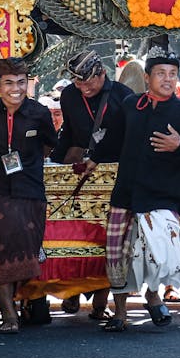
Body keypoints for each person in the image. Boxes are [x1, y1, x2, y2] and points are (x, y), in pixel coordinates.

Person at [96, 47, 180, 332]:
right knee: (119, 256)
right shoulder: (129, 105)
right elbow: (111, 141)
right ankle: (121, 313)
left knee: (157, 255)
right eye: (161, 73)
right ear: (147, 77)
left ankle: (153, 296)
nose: (167, 79)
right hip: (125, 192)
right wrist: (89, 158)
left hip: (162, 195)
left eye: (172, 74)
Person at [0, 56, 58, 333]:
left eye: (21, 82)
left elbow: (48, 148)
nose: (15, 89)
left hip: (31, 190)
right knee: (2, 249)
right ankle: (9, 314)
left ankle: (23, 303)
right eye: (9, 83)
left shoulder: (39, 113)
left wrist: (28, 164)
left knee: (29, 250)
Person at [52, 48, 132, 316]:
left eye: (87, 81)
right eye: (77, 82)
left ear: (103, 73)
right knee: (76, 235)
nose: (82, 87)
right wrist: (54, 162)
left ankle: (101, 300)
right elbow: (68, 134)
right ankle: (72, 291)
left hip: (113, 174)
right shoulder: (69, 95)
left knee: (107, 238)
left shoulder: (123, 96)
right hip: (80, 173)